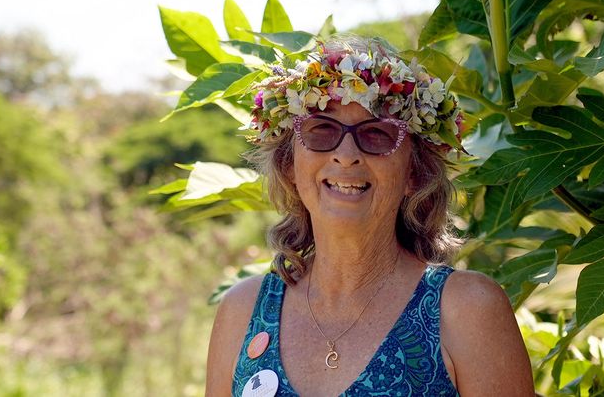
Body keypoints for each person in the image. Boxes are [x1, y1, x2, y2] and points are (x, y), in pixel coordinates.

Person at [205, 36, 534, 396]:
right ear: (289, 166)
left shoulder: (467, 310)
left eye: (378, 134)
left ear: (414, 173)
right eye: (322, 130)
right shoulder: (243, 311)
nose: (346, 155)